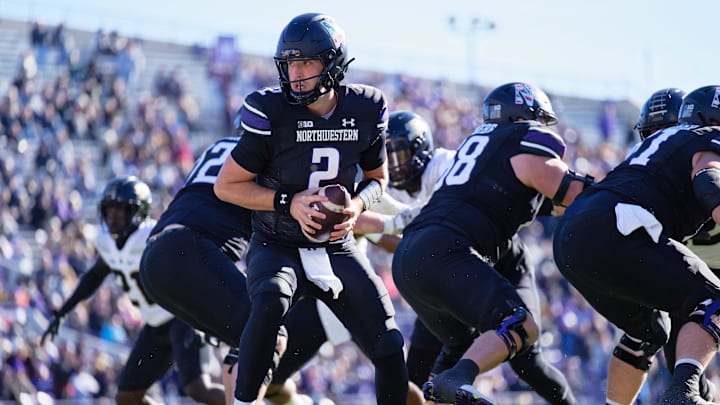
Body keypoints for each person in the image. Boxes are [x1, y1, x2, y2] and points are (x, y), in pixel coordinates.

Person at [267, 110, 577, 405]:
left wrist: (377, 226)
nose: (395, 165)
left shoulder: (447, 167)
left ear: (421, 149)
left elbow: (433, 225)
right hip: (444, 269)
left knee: (527, 357)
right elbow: (413, 241)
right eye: (389, 157)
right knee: (416, 376)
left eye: (400, 154)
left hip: (493, 257)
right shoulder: (390, 190)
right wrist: (367, 229)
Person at [213, 13, 408, 405]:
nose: (296, 73)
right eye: (289, 63)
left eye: (306, 62)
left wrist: (356, 204)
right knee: (268, 303)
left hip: (337, 247)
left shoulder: (367, 107)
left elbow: (377, 179)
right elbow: (227, 186)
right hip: (277, 241)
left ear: (333, 63)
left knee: (388, 344)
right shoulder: (270, 110)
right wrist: (289, 202)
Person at [392, 82, 593, 404]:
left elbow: (546, 201)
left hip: (412, 257)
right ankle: (459, 377)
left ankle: (451, 381)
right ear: (525, 118)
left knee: (455, 354)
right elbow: (577, 196)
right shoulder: (521, 144)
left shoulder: (480, 151)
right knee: (521, 325)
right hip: (451, 252)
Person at [552, 85, 720, 405]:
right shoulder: (705, 143)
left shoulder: (654, 150)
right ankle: (684, 393)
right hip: (623, 229)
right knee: (713, 304)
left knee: (649, 330)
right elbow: (709, 183)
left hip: (575, 233)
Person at [40, 175, 225, 405]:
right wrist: (63, 311)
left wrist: (201, 316)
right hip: (154, 326)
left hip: (181, 318)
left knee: (199, 389)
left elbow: (191, 267)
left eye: (121, 211)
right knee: (127, 397)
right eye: (109, 211)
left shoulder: (153, 235)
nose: (113, 218)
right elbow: (95, 275)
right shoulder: (106, 243)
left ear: (139, 212)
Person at [138, 136, 288, 405]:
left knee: (245, 341)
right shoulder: (268, 155)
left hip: (156, 259)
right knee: (271, 334)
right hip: (186, 253)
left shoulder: (221, 148)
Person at [634, 88, 715, 402]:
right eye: (652, 136)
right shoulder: (650, 177)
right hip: (689, 266)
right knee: (682, 369)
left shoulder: (707, 158)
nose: (661, 143)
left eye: (667, 133)